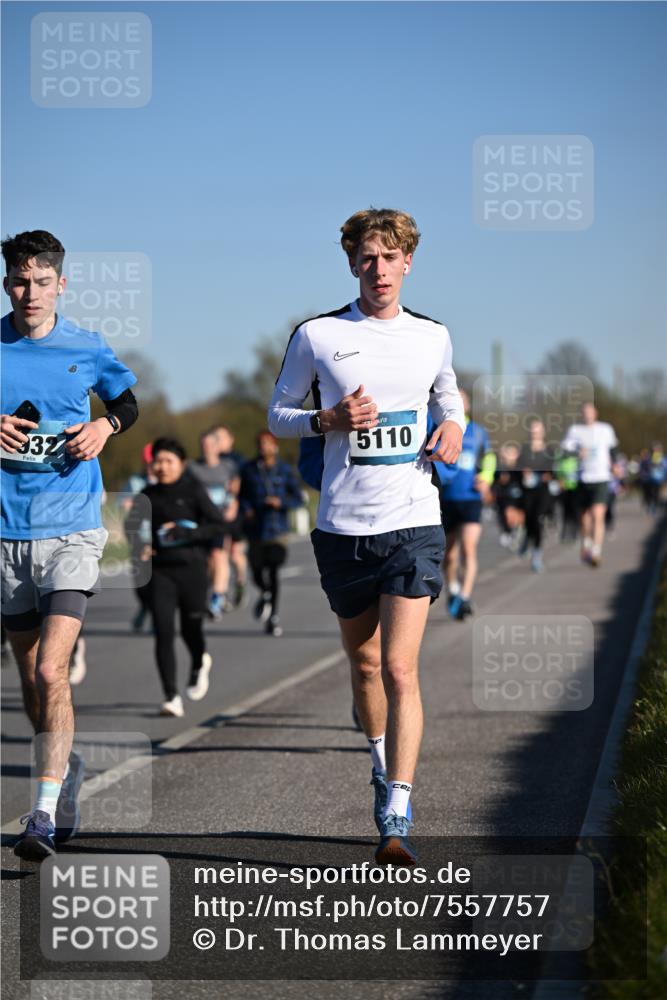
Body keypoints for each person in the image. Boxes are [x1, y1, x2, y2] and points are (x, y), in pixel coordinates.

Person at [268, 208, 464, 864]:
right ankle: (380, 762)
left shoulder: (432, 336)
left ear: (408, 261)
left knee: (401, 666)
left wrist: (454, 429)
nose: (378, 268)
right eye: (366, 257)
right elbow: (278, 417)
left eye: (390, 256)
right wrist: (325, 418)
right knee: (365, 663)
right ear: (352, 263)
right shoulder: (317, 335)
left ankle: (398, 807)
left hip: (412, 520)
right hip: (343, 529)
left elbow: (448, 397)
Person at [1, 230, 138, 860]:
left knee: (54, 668)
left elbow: (127, 401)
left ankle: (44, 813)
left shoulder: (86, 346)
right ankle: (64, 769)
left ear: (62, 284)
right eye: (20, 282)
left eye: (43, 281)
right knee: (32, 677)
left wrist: (104, 426)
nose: (31, 293)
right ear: (8, 284)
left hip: (73, 527)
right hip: (7, 533)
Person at [126, 437, 225, 717]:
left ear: (181, 464)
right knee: (163, 631)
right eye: (157, 461)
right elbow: (132, 527)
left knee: (192, 630)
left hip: (192, 570)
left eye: (169, 461)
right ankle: (170, 696)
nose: (162, 466)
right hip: (161, 572)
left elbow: (217, 525)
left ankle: (199, 661)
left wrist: (188, 534)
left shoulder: (193, 490)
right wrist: (140, 547)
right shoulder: (146, 494)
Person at [432, 390, 495, 620]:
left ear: (467, 405)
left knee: (468, 548)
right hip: (447, 499)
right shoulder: (439, 426)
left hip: (471, 498)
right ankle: (454, 590)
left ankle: (465, 597)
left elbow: (489, 457)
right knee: (449, 555)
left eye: (462, 399)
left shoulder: (478, 432)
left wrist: (486, 478)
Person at [240, 431, 304, 637]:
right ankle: (265, 592)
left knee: (274, 566)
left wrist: (281, 502)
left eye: (268, 444)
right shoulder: (249, 470)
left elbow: (297, 498)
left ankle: (273, 616)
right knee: (257, 571)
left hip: (277, 529)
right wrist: (246, 509)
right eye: (260, 444)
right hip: (256, 529)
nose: (264, 448)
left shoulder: (284, 470)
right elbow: (241, 496)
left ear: (274, 446)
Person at [188, 429, 242, 618]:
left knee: (219, 554)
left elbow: (235, 487)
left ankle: (217, 597)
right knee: (207, 560)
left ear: (217, 446)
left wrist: (233, 505)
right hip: (201, 521)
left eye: (210, 445)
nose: (207, 448)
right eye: (203, 445)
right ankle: (213, 589)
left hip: (220, 519)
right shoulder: (193, 468)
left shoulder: (228, 466)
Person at [561, 403, 620, 568]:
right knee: (585, 518)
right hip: (582, 478)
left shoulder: (605, 429)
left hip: (601, 477)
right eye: (584, 412)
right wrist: (577, 453)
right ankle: (586, 542)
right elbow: (564, 451)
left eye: (590, 412)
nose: (587, 415)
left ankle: (596, 550)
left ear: (595, 413)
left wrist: (615, 464)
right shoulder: (575, 431)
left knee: (598, 514)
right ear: (581, 414)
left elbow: (613, 448)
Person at [119, 442, 155, 631]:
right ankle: (145, 607)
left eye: (153, 462)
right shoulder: (135, 482)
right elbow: (123, 501)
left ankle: (157, 615)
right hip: (138, 537)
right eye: (148, 463)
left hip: (159, 537)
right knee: (141, 580)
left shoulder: (166, 481)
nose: (151, 467)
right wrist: (127, 503)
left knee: (158, 579)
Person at [515, 418, 557, 573]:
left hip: (543, 491)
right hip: (527, 491)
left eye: (537, 430)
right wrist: (523, 472)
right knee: (529, 520)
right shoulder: (524, 449)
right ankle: (527, 539)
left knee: (538, 520)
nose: (535, 433)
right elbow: (517, 467)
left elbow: (554, 470)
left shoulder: (549, 450)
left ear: (543, 431)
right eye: (532, 430)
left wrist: (548, 475)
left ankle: (536, 556)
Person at [214, 425, 248, 607]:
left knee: (235, 553)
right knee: (220, 553)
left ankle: (240, 582)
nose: (217, 442)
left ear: (230, 439)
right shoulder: (211, 460)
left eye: (221, 438)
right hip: (217, 514)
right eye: (215, 438)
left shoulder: (239, 460)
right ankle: (222, 593)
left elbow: (243, 485)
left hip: (237, 511)